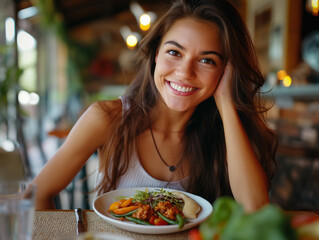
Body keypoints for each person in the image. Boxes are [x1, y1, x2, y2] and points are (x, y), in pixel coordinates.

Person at [33, 0, 277, 212]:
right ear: (156, 54)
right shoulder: (107, 118)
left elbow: (255, 208)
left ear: (226, 70)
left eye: (207, 60)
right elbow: (35, 195)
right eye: (175, 52)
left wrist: (225, 102)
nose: (184, 72)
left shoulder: (224, 134)